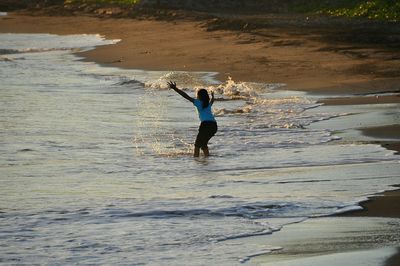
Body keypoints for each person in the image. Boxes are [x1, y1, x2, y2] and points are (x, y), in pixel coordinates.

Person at [167, 81, 218, 157]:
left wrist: (175, 89)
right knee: (203, 144)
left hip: (206, 125)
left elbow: (185, 96)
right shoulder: (207, 104)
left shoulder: (198, 102)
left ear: (199, 96)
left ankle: (196, 159)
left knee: (197, 145)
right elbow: (212, 101)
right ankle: (207, 159)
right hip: (214, 126)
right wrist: (213, 96)